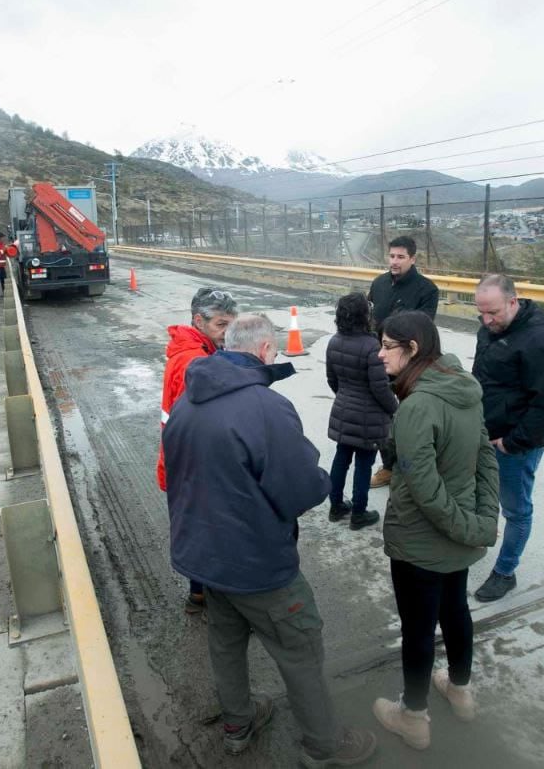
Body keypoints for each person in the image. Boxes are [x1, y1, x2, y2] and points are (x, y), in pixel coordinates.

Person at [163, 315, 377, 768]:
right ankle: (323, 745)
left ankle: (237, 725)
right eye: (275, 351)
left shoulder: (187, 397)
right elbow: (300, 489)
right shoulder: (263, 406)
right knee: (300, 647)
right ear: (263, 351)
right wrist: (320, 479)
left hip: (206, 557)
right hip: (257, 562)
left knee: (225, 643)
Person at [371, 311, 499, 751]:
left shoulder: (418, 405)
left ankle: (413, 717)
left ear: (412, 350)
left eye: (388, 345)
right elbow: (485, 458)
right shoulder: (464, 389)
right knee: (455, 611)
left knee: (419, 629)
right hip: (457, 534)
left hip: (420, 542)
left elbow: (424, 489)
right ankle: (460, 691)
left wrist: (472, 526)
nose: (380, 353)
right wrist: (480, 522)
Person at [471, 273, 544, 603]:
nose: (486, 320)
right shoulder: (489, 328)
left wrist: (513, 442)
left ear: (513, 302)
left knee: (516, 511)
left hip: (513, 446)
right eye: (481, 312)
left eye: (493, 312)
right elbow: (481, 379)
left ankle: (505, 572)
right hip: (482, 436)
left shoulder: (541, 341)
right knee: (479, 498)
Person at [156, 286, 239, 614]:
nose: (228, 332)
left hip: (181, 459)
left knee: (195, 527)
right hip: (194, 463)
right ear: (198, 321)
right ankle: (206, 595)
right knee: (205, 529)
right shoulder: (195, 362)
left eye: (231, 324)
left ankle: (199, 593)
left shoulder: (194, 351)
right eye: (221, 324)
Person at [367, 235, 440, 489]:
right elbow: (371, 320)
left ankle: (416, 466)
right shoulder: (379, 284)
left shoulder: (427, 290)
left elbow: (422, 330)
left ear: (412, 258)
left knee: (413, 419)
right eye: (391, 256)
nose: (394, 261)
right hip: (380, 360)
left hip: (412, 366)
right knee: (382, 416)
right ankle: (388, 466)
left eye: (400, 257)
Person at [324, 292, 397, 530]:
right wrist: (394, 409)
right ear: (364, 316)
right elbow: (380, 388)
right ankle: (359, 512)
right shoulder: (372, 346)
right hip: (370, 416)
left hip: (344, 409)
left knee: (341, 459)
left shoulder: (334, 341)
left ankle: (335, 506)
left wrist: (346, 396)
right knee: (364, 464)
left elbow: (331, 379)